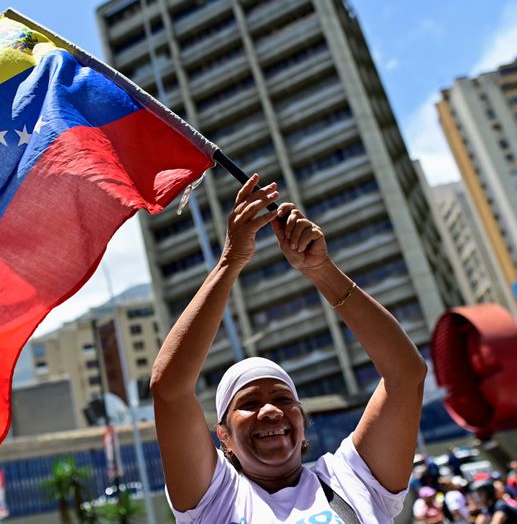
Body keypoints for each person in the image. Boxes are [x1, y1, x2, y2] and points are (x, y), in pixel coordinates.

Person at [150, 175, 427, 523]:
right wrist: (230, 261)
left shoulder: (352, 479)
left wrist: (322, 270)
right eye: (248, 404)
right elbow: (169, 389)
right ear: (224, 438)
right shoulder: (214, 501)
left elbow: (407, 375)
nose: (270, 410)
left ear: (301, 418)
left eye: (283, 399)